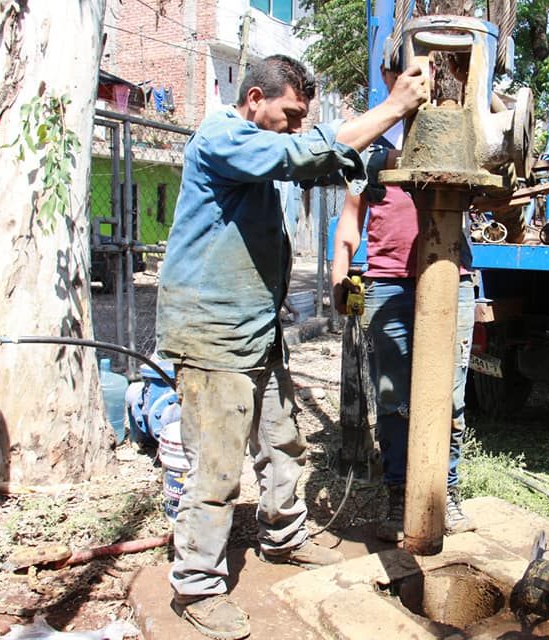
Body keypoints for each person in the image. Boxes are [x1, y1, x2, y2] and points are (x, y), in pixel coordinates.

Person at [156, 55, 426, 640]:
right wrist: (391, 107)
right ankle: (196, 584)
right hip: (212, 331)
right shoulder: (223, 136)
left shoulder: (261, 142)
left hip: (255, 326)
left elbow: (316, 162)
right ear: (255, 97)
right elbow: (300, 156)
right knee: (218, 466)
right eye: (291, 113)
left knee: (281, 440)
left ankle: (283, 534)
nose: (298, 126)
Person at [330, 67, 476, 544]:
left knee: (449, 399)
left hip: (453, 281)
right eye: (410, 67)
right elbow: (350, 221)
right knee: (394, 399)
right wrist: (340, 276)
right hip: (388, 287)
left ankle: (443, 493)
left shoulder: (464, 131)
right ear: (391, 73)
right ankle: (399, 495)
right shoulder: (370, 148)